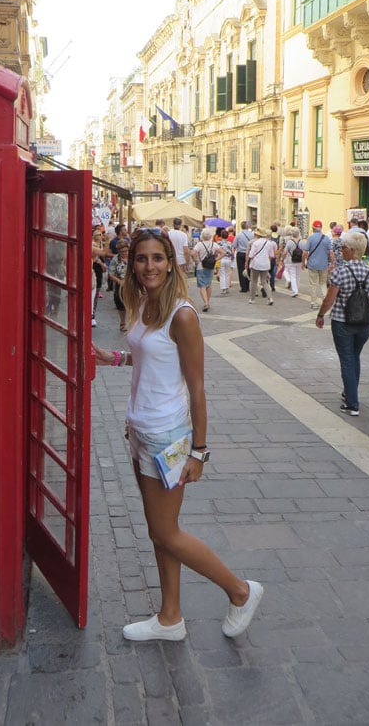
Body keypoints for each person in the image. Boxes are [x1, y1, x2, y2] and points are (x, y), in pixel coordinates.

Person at [92, 229, 263, 642]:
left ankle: (240, 591)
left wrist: (199, 452)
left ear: (171, 262)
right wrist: (113, 357)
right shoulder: (148, 303)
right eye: (141, 259)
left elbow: (197, 386)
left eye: (157, 258)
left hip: (168, 436)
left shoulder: (182, 314)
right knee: (158, 528)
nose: (149, 266)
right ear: (131, 264)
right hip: (141, 431)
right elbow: (151, 358)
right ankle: (170, 617)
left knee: (166, 532)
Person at [315, 231, 369, 416]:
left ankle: (352, 403)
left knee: (347, 360)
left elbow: (329, 299)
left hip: (342, 322)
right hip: (364, 324)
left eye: (343, 248)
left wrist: (321, 314)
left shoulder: (340, 271)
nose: (341, 250)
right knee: (354, 357)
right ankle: (349, 392)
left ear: (351, 250)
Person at [302, 220, 334, 310]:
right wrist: (332, 263)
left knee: (313, 284)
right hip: (323, 264)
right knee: (323, 283)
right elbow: (331, 252)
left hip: (312, 264)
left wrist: (303, 262)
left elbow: (305, 252)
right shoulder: (326, 238)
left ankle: (313, 302)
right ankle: (325, 300)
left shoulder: (310, 238)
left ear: (313, 227)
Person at [191, 227, 221, 312]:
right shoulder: (214, 244)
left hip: (201, 266)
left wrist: (196, 260)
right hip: (210, 266)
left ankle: (206, 303)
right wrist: (216, 259)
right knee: (208, 284)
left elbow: (193, 253)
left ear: (202, 236)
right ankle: (207, 301)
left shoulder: (199, 244)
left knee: (202, 286)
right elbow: (223, 252)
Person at [245, 229, 276, 305]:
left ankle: (252, 299)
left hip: (256, 264)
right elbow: (272, 255)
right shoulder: (269, 243)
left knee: (253, 281)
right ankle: (270, 298)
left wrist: (247, 262)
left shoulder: (255, 243)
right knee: (264, 282)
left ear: (257, 235)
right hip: (265, 264)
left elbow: (251, 255)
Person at [109, 238, 131, 332]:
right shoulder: (115, 259)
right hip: (120, 284)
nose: (124, 253)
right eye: (122, 251)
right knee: (120, 304)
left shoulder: (132, 258)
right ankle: (123, 322)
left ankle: (132, 323)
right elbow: (111, 274)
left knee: (133, 304)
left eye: (126, 251)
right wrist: (119, 281)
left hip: (132, 283)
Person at [278, 226, 303, 296]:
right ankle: (296, 288)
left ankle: (295, 291)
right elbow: (305, 252)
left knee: (293, 275)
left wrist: (282, 260)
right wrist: (304, 261)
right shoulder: (302, 242)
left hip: (290, 260)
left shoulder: (289, 242)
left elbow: (285, 252)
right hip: (299, 261)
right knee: (298, 275)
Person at [232, 222, 254, 293]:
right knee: (249, 269)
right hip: (249, 253)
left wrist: (233, 254)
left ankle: (243, 287)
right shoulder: (252, 235)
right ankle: (248, 285)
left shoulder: (238, 235)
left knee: (241, 270)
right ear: (247, 226)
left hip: (241, 253)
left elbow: (234, 245)